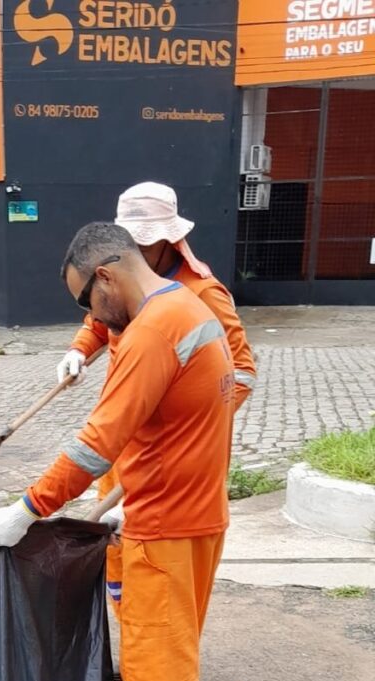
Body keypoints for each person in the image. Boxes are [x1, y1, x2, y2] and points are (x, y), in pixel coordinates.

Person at [0, 222, 236, 681]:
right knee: (156, 644)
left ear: (107, 277)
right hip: (185, 506)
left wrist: (28, 509)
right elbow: (173, 429)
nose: (89, 316)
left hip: (167, 520)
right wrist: (122, 494)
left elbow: (97, 443)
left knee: (156, 653)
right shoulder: (182, 306)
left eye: (85, 301)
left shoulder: (151, 332)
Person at [56, 183, 255, 624]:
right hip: (123, 444)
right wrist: (78, 350)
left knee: (157, 584)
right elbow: (99, 317)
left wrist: (183, 434)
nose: (137, 252)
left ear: (169, 239)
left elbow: (240, 373)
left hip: (168, 462)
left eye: (145, 243)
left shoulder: (202, 295)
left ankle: (152, 660)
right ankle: (137, 653)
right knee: (117, 562)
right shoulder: (122, 278)